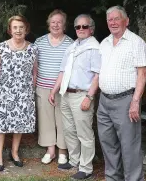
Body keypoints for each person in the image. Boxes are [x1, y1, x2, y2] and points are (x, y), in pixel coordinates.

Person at [98, 6, 146, 181]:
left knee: (130, 148)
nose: (113, 22)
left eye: (116, 18)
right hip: (104, 102)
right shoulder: (104, 43)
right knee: (108, 146)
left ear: (126, 21)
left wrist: (135, 102)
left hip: (126, 101)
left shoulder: (136, 43)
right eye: (110, 19)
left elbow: (143, 74)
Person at [48, 14, 101, 179]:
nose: (81, 29)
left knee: (84, 133)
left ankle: (86, 168)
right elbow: (63, 71)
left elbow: (98, 76)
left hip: (82, 95)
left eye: (84, 26)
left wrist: (89, 97)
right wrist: (53, 90)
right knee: (69, 130)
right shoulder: (72, 46)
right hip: (66, 94)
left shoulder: (94, 48)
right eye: (78, 27)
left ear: (91, 29)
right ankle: (74, 160)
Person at [0, 15, 38, 172]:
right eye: (15, 27)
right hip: (4, 92)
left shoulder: (33, 49)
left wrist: (31, 91)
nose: (18, 30)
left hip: (24, 93)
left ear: (26, 29)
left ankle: (14, 153)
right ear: (10, 30)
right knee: (1, 125)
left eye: (21, 27)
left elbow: (34, 73)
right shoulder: (1, 48)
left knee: (20, 124)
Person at [35, 9, 74, 165]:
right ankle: (50, 151)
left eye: (59, 22)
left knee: (62, 119)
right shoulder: (39, 41)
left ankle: (62, 151)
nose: (56, 25)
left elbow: (69, 69)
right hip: (42, 87)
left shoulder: (71, 43)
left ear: (64, 26)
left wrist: (56, 88)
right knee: (46, 120)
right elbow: (35, 66)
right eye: (53, 22)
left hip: (62, 89)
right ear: (48, 24)